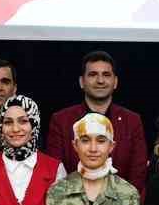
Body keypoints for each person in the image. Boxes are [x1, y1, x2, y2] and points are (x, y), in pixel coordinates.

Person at [44, 52, 148, 195]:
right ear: (82, 81)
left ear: (115, 82)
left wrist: (121, 204)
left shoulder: (132, 121)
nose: (100, 80)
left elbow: (138, 172)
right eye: (93, 74)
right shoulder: (61, 120)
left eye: (106, 75)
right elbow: (55, 171)